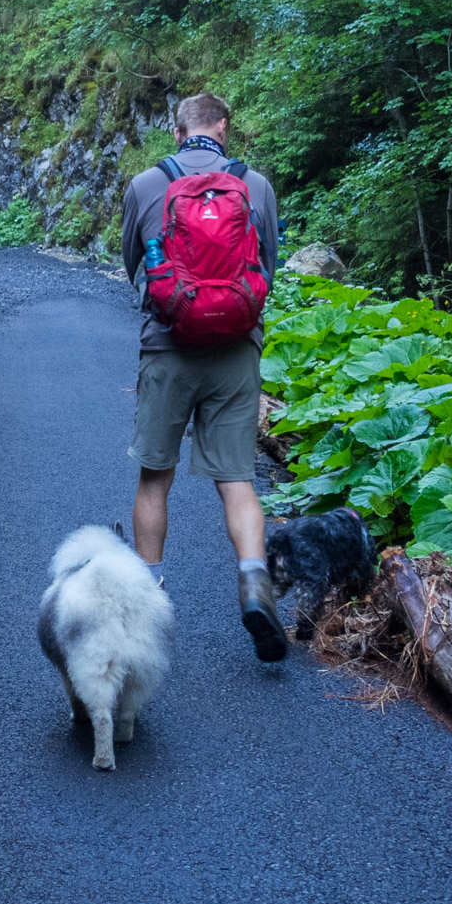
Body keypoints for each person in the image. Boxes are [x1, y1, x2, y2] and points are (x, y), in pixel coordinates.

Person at [120, 92, 288, 661]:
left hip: (168, 347)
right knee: (237, 479)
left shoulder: (147, 183)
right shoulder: (254, 184)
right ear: (223, 127)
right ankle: (253, 584)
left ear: (178, 133)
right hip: (236, 350)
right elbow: (266, 267)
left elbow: (132, 264)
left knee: (154, 477)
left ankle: (145, 597)